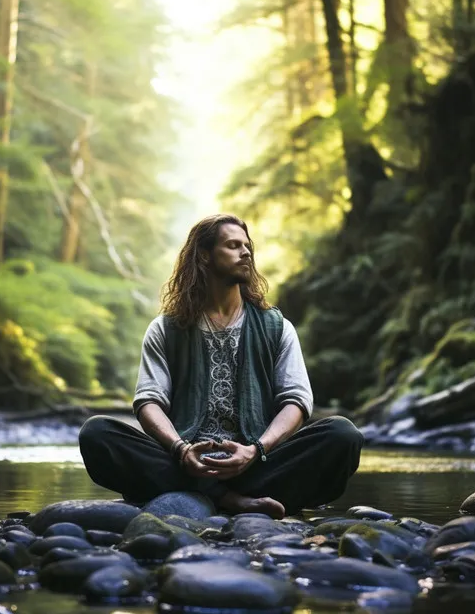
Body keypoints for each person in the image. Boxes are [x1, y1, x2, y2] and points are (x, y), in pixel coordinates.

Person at [79, 214, 363, 518]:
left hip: (257, 463)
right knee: (96, 433)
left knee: (342, 436)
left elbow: (297, 400)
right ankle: (235, 501)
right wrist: (181, 449)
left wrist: (256, 450)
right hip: (184, 462)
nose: (246, 253)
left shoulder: (277, 327)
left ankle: (208, 495)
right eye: (233, 245)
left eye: (247, 246)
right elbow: (149, 401)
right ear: (204, 255)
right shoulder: (166, 329)